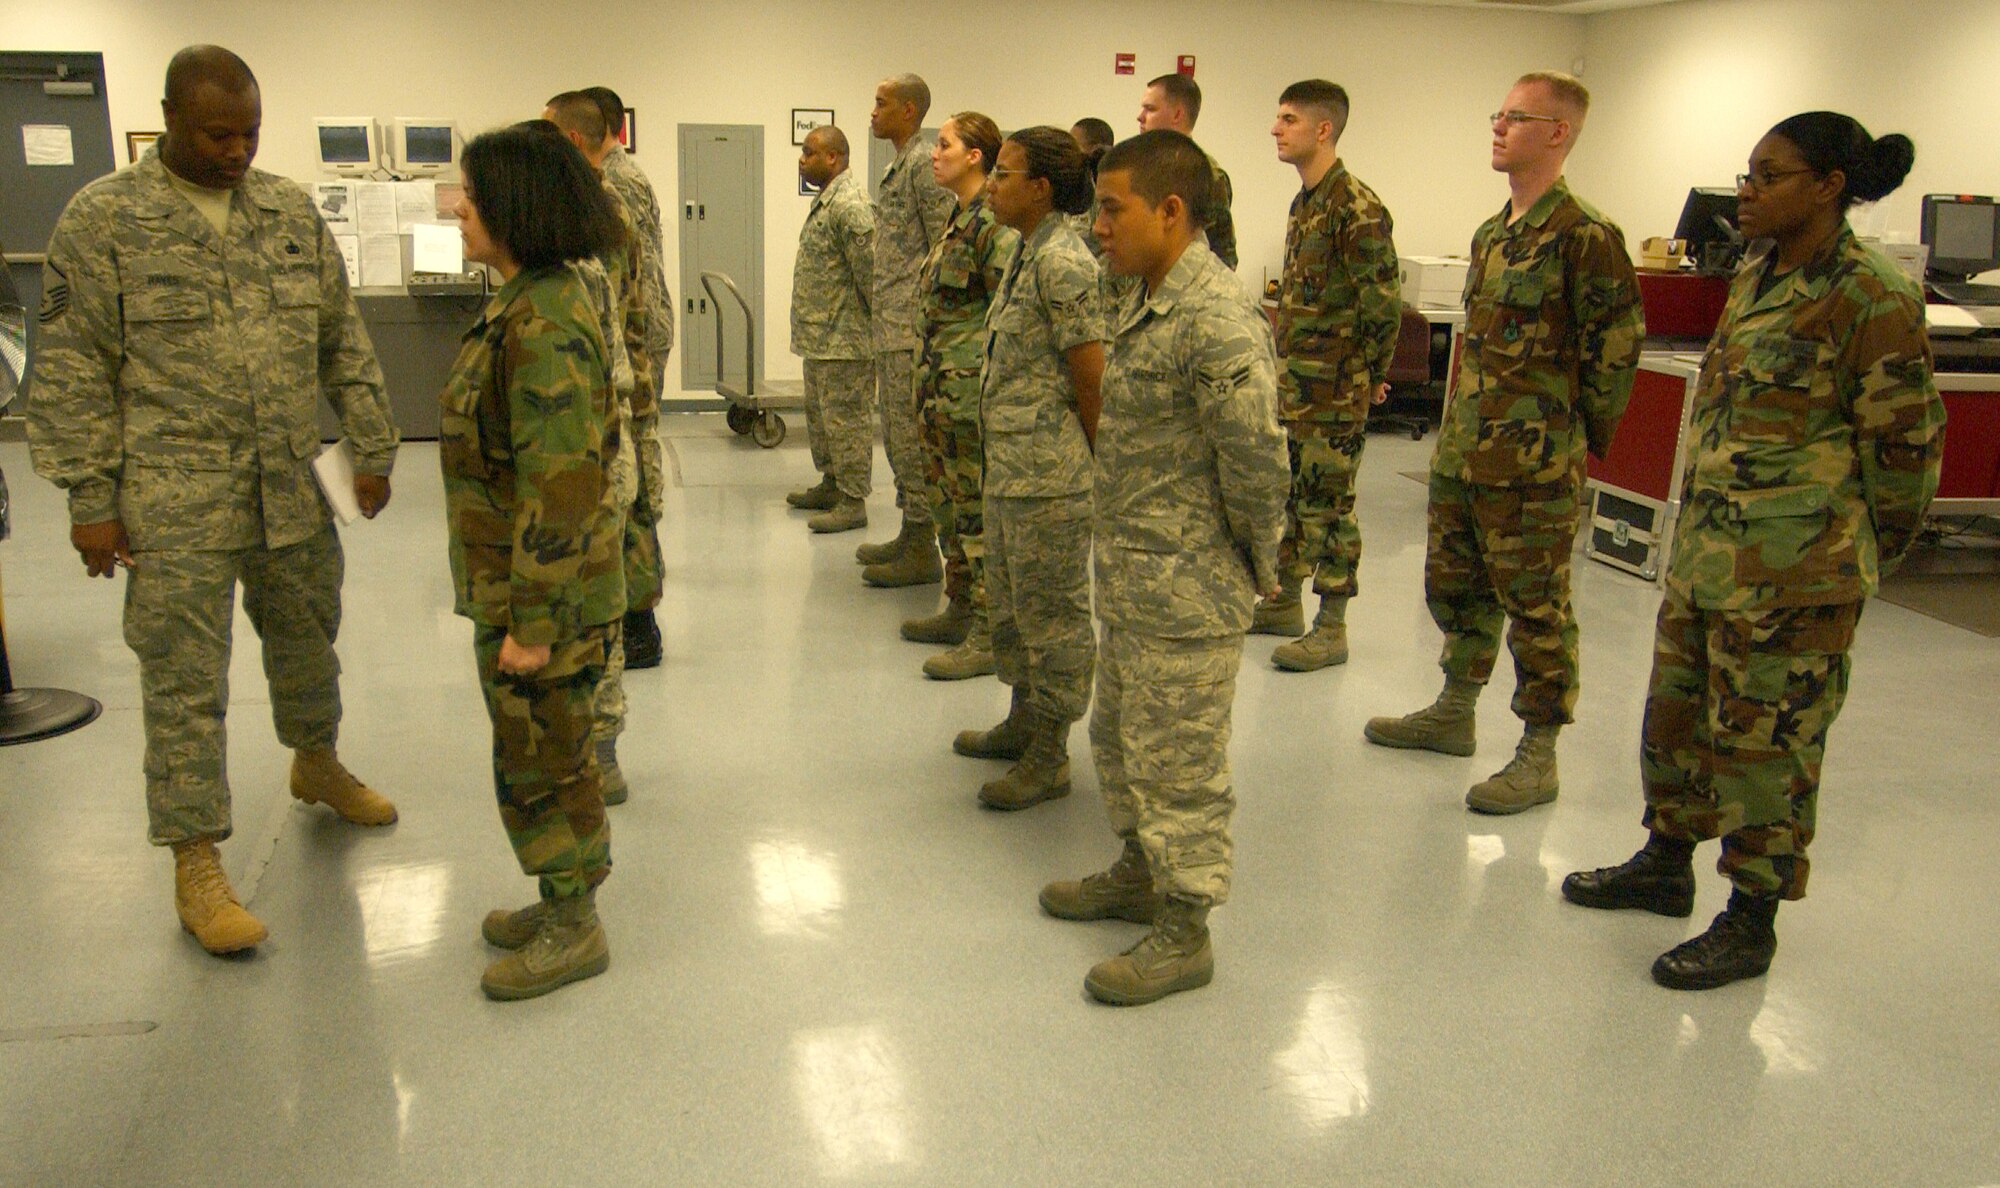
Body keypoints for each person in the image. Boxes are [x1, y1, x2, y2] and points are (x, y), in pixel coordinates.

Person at [27, 46, 399, 957]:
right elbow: (74, 367)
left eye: (250, 134)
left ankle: (316, 761)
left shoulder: (287, 212)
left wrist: (374, 442)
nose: (237, 151)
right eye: (216, 134)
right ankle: (197, 861)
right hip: (171, 494)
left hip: (291, 483)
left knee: (311, 632)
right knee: (185, 681)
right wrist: (90, 496)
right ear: (169, 120)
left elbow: (339, 337)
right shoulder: (105, 219)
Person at [1562, 112, 1944, 991]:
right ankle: (1665, 863)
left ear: (1827, 187)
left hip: (1795, 578)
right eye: (1746, 173)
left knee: (1768, 749)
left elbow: (1907, 452)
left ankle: (1751, 918)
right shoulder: (1758, 271)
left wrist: (1845, 556)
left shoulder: (1867, 295)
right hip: (1708, 561)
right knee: (1678, 722)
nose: (1747, 189)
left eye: (1768, 176)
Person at [1039, 130, 1288, 1005]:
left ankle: (1185, 930)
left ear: (1171, 212)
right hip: (1135, 575)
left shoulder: (1214, 317)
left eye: (1113, 209)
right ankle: (1140, 871)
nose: (1097, 226)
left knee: (1179, 761)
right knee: (1119, 738)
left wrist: (1260, 562)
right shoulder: (1141, 296)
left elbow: (1256, 458)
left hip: (1188, 588)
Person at [1363, 71, 1643, 815]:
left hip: (1534, 463)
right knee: (1457, 590)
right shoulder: (1494, 233)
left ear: (1558, 133)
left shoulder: (1586, 236)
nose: (1498, 127)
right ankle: (1454, 710)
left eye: (1515, 118)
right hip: (1465, 451)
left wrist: (1569, 446)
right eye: (1498, 114)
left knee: (1537, 607)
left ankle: (1538, 753)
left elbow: (1614, 356)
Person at [441, 125, 626, 1001]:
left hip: (545, 595)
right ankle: (564, 893)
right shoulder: (526, 300)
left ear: (514, 206)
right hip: (521, 584)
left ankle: (573, 923)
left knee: (543, 757)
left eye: (470, 196)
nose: (456, 208)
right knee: (542, 750)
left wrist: (533, 624)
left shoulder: (544, 319)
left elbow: (559, 483)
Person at [950, 128, 1102, 807]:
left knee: (1053, 617)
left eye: (1005, 175)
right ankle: (1021, 721)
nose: (992, 186)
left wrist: (1100, 468)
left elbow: (1090, 376)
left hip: (1049, 478)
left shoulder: (1064, 261)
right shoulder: (1024, 251)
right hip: (1010, 468)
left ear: (1040, 189)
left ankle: (1051, 752)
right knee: (1012, 608)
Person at [1257, 79, 1401, 672]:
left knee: (1332, 505)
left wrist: (1369, 376)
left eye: (1288, 118)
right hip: (1299, 382)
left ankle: (1332, 626)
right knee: (1294, 495)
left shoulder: (1356, 207)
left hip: (1336, 388)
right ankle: (1284, 601)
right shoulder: (1306, 202)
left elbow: (1384, 303)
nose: (1276, 128)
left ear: (1323, 130)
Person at [543, 96, 659, 806]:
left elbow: (619, 329)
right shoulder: (568, 234)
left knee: (608, 571)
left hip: (600, 426)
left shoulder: (599, 217)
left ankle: (600, 746)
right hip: (594, 423)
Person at [899, 113, 1016, 679]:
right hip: (940, 395)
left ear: (975, 156)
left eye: (943, 145)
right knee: (950, 509)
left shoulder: (995, 225)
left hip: (968, 400)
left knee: (976, 516)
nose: (933, 155)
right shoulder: (958, 219)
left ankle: (990, 633)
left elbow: (1005, 314)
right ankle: (961, 607)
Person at [581, 85, 673, 672]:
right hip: (630, 334)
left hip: (631, 340)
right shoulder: (605, 182)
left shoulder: (615, 186)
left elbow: (621, 280)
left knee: (633, 473)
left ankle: (639, 611)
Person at [857, 74, 958, 583]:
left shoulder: (922, 165)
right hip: (890, 326)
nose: (872, 112)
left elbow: (944, 241)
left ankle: (924, 550)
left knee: (911, 438)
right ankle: (910, 532)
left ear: (910, 111)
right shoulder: (902, 164)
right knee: (897, 438)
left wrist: (926, 321)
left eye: (882, 104)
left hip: (908, 329)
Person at [786, 126, 877, 532]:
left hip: (846, 341)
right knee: (822, 421)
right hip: (821, 338)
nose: (802, 160)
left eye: (809, 153)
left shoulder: (851, 205)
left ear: (834, 159)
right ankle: (831, 483)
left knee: (847, 424)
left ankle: (853, 500)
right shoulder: (828, 201)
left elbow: (872, 275)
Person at [1136, 74, 1237, 270]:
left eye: (1150, 109)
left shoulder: (1207, 175)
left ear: (1177, 115)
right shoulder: (1141, 168)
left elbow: (1222, 257)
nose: (1140, 116)